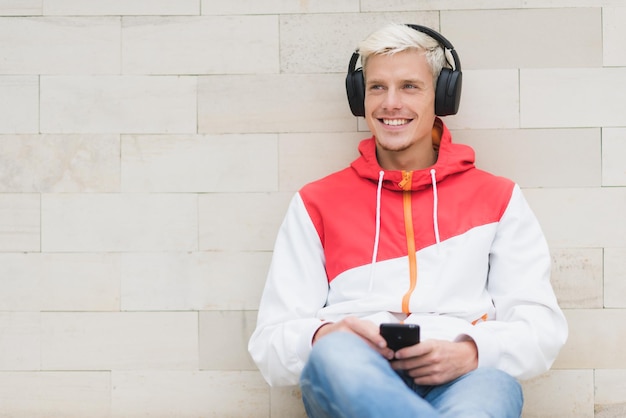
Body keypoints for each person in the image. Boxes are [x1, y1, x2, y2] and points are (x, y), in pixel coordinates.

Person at [248, 23, 568, 417]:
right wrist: (325, 336)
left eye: (410, 87)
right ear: (359, 98)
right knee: (333, 356)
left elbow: (541, 329)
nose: (390, 103)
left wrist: (471, 351)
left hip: (466, 378)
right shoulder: (316, 202)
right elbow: (270, 343)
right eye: (377, 87)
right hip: (354, 374)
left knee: (494, 388)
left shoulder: (499, 198)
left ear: (443, 96)